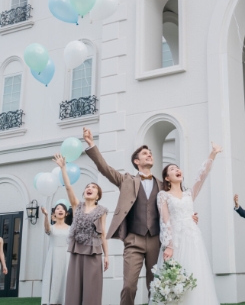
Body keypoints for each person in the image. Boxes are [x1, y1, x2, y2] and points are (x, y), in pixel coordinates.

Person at [83, 127, 198, 305]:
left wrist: (189, 217)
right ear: (137, 161)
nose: (149, 154)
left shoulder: (162, 185)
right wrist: (91, 144)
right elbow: (104, 168)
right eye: (145, 153)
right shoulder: (126, 180)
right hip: (133, 240)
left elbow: (177, 203)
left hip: (156, 241)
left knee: (156, 286)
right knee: (129, 286)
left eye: (150, 153)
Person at [153, 142, 223, 305]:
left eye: (178, 168)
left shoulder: (189, 194)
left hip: (193, 239)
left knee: (195, 272)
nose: (177, 170)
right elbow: (165, 221)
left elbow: (202, 175)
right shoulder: (163, 195)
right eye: (172, 169)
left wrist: (213, 154)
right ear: (167, 178)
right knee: (175, 276)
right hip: (175, 240)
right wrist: (169, 245)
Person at [53, 152, 109, 305]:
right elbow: (68, 187)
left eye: (93, 187)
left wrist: (107, 256)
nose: (89, 188)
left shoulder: (102, 211)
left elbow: (103, 234)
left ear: (98, 196)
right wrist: (63, 168)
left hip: (94, 252)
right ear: (84, 193)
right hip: (77, 250)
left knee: (92, 288)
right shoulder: (77, 206)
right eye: (87, 187)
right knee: (74, 287)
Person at [41, 204, 70, 305]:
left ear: (66, 213)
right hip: (53, 256)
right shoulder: (52, 228)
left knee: (65, 278)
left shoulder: (70, 229)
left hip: (66, 256)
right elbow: (47, 229)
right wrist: (46, 216)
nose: (60, 210)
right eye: (58, 209)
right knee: (53, 278)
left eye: (62, 209)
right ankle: (52, 301)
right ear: (54, 213)